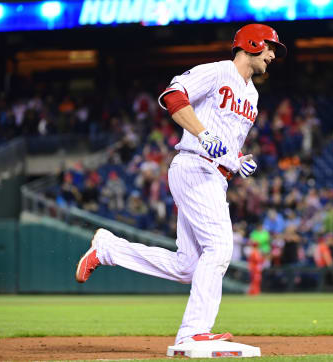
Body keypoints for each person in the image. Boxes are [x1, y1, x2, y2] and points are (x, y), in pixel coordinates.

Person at [75, 24, 286, 345]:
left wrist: (239, 159)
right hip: (195, 166)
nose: (272, 55)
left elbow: (227, 141)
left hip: (217, 175)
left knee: (188, 266)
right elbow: (173, 95)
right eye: (270, 47)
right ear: (252, 43)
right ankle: (193, 333)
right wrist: (202, 133)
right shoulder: (217, 72)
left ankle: (108, 250)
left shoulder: (253, 96)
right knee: (219, 248)